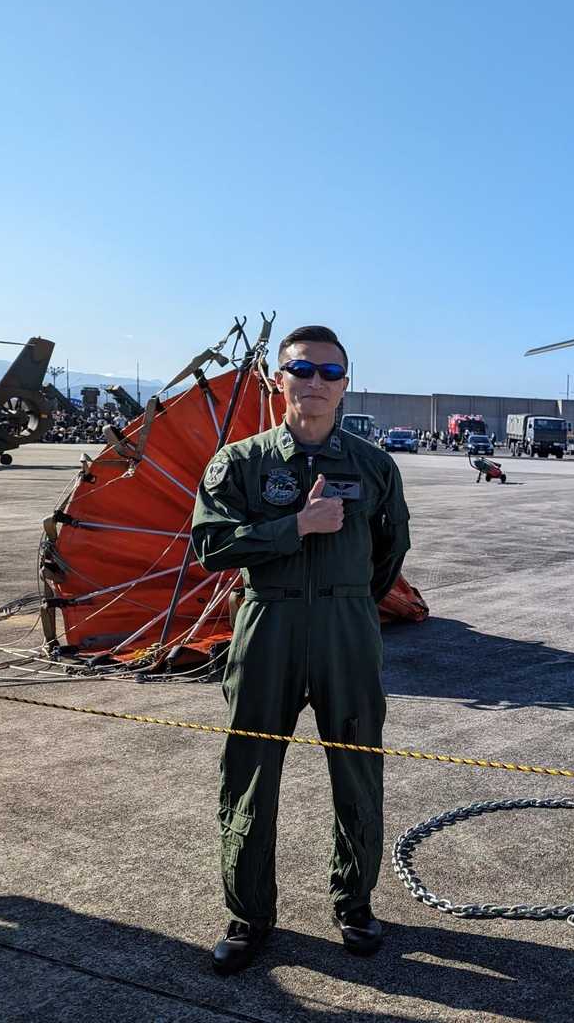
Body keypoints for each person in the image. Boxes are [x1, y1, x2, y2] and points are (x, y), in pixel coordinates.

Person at [192, 325, 410, 975]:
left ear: (345, 384)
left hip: (347, 630)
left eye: (329, 372)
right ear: (278, 379)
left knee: (358, 770)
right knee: (250, 772)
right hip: (269, 626)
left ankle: (354, 903)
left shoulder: (374, 467)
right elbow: (212, 546)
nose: (315, 381)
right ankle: (248, 914)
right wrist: (296, 527)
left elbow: (390, 553)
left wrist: (348, 602)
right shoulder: (240, 463)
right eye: (302, 369)